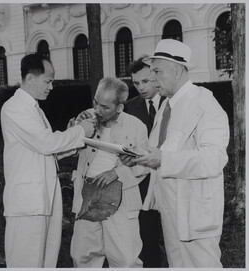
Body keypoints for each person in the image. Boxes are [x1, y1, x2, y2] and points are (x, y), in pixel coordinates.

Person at [121, 39, 230, 268]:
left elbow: (214, 159)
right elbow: (157, 152)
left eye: (157, 71)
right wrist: (136, 160)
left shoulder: (204, 103)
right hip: (170, 210)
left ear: (178, 70)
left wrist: (162, 158)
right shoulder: (166, 107)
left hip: (196, 211)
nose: (152, 78)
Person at [0, 53, 96, 268]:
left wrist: (73, 137)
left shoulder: (34, 109)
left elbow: (46, 151)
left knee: (46, 262)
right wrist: (80, 131)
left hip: (44, 199)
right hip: (27, 204)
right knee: (25, 263)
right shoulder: (15, 108)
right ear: (30, 78)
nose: (51, 87)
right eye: (48, 81)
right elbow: (45, 143)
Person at [69, 77, 148, 268]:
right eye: (96, 102)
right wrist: (74, 133)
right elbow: (67, 151)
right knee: (83, 256)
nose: (97, 110)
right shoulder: (85, 118)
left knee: (125, 259)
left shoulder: (136, 126)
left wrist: (116, 173)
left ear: (119, 108)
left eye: (104, 107)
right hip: (87, 194)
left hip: (121, 195)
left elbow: (145, 165)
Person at [124, 56, 165, 267]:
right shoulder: (128, 107)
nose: (141, 87)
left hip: (168, 176)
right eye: (136, 83)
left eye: (146, 81)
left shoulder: (171, 104)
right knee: (146, 236)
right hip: (141, 182)